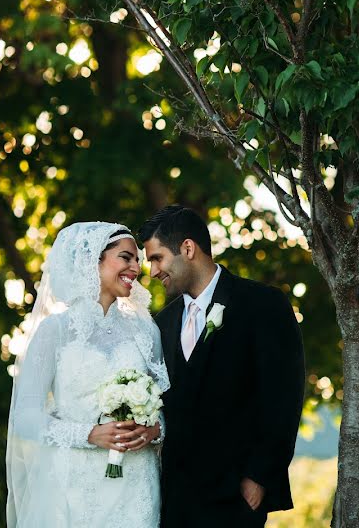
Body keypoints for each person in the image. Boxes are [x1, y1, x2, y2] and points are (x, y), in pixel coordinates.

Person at [140, 205, 305, 528]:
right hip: (174, 501)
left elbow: (283, 397)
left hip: (236, 498)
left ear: (187, 248)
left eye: (157, 258)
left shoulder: (263, 304)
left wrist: (259, 476)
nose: (153, 271)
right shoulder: (162, 324)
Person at [6, 222, 169, 527]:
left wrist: (152, 431)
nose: (136, 267)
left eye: (137, 260)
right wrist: (88, 435)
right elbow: (25, 417)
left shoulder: (146, 331)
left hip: (137, 487)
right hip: (72, 486)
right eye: (126, 257)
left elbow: (164, 408)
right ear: (93, 260)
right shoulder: (55, 331)